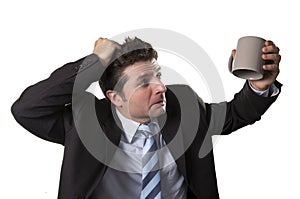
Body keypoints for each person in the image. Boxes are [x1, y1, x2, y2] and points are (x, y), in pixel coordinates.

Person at [11, 36, 282, 199]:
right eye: (144, 82)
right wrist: (96, 60)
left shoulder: (183, 105)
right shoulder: (85, 120)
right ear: (115, 97)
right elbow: (27, 109)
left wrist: (260, 85)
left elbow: (233, 115)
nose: (161, 87)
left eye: (158, 76)